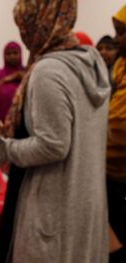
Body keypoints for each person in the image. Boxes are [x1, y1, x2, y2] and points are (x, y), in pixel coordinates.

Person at [0, 0, 111, 262]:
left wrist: (3, 146)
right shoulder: (91, 63)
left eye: (25, 26)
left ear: (39, 22)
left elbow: (53, 144)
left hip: (53, 213)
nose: (23, 37)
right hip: (83, 206)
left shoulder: (49, 70)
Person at [107, 4, 126, 262]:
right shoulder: (119, 67)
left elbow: (119, 124)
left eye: (122, 32)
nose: (117, 39)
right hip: (109, 174)